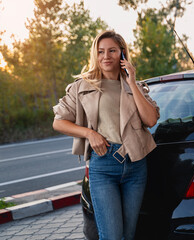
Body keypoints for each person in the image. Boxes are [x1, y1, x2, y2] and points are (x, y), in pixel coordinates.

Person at [52, 30, 160, 240]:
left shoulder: (135, 87)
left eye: (112, 50)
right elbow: (58, 122)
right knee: (111, 236)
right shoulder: (82, 86)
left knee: (128, 235)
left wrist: (132, 82)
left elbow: (151, 120)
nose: (106, 56)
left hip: (136, 165)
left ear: (123, 54)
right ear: (95, 55)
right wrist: (89, 133)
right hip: (103, 165)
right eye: (100, 51)